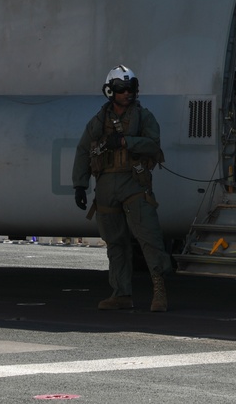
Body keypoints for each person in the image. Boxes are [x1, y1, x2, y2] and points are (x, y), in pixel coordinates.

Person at [72, 65, 171, 312]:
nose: (128, 93)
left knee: (149, 237)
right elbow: (84, 150)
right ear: (111, 91)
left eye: (131, 88)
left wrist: (127, 141)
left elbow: (153, 146)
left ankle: (159, 292)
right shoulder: (99, 120)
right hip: (106, 188)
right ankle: (121, 294)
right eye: (122, 89)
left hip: (134, 184)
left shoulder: (144, 117)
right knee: (115, 242)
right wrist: (80, 184)